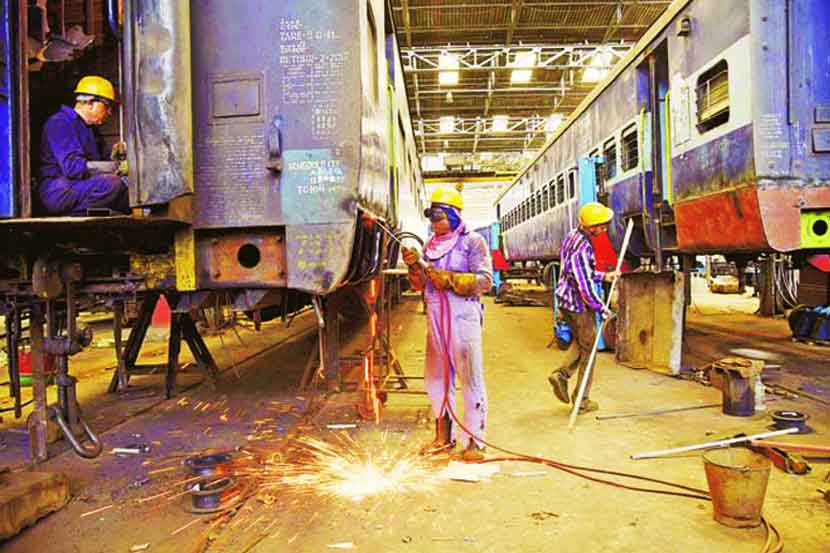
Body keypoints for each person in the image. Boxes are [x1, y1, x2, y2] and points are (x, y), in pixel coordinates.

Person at [401, 188, 493, 462]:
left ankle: (475, 442)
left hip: (462, 317)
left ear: (453, 216)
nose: (434, 222)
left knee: (470, 378)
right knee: (437, 379)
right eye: (431, 217)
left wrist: (451, 279)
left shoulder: (472, 242)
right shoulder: (430, 245)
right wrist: (414, 267)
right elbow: (420, 285)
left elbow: (485, 281)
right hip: (435, 317)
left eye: (439, 217)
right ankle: (443, 437)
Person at [548, 202, 619, 414]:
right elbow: (584, 286)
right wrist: (601, 308)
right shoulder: (582, 247)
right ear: (591, 226)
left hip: (565, 301)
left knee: (583, 343)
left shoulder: (572, 236)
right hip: (577, 305)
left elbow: (580, 271)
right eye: (602, 225)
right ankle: (581, 399)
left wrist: (604, 276)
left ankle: (561, 375)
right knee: (590, 351)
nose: (604, 229)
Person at [39, 75, 129, 216]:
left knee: (128, 191)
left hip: (81, 186)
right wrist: (116, 167)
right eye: (107, 106)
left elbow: (103, 162)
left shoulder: (91, 130)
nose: (109, 113)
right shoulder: (60, 122)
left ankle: (99, 213)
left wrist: (119, 158)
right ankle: (71, 217)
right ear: (90, 103)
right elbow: (73, 168)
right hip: (58, 190)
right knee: (112, 184)